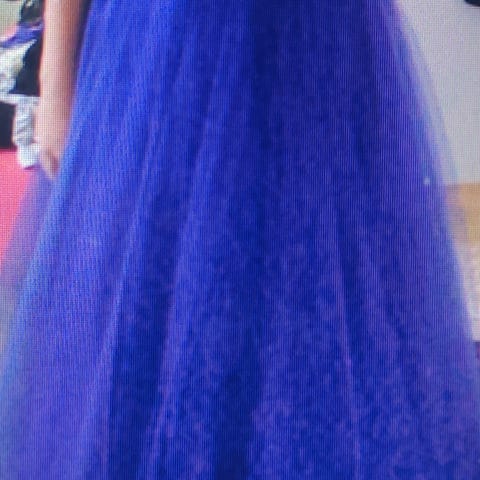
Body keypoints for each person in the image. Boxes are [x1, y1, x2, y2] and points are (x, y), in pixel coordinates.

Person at [1, 1, 480, 478]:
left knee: (311, 283)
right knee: (161, 285)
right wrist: (55, 79)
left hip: (316, 38)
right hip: (166, 39)